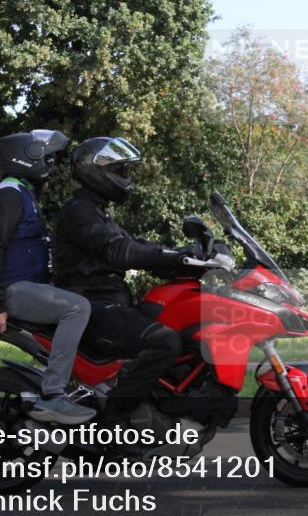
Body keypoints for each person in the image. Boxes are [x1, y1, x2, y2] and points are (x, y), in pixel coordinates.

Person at [53, 137, 201, 423]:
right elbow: (120, 251)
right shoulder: (79, 212)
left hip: (108, 303)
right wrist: (172, 255)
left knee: (172, 323)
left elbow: (133, 245)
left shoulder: (96, 210)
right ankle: (115, 418)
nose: (126, 179)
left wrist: (184, 259)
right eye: (120, 172)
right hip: (94, 308)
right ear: (96, 171)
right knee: (165, 342)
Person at [0, 129, 96, 424]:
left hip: (26, 286)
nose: (52, 164)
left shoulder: (16, 191)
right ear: (28, 157)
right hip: (14, 291)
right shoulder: (9, 195)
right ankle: (54, 394)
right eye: (48, 157)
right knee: (77, 308)